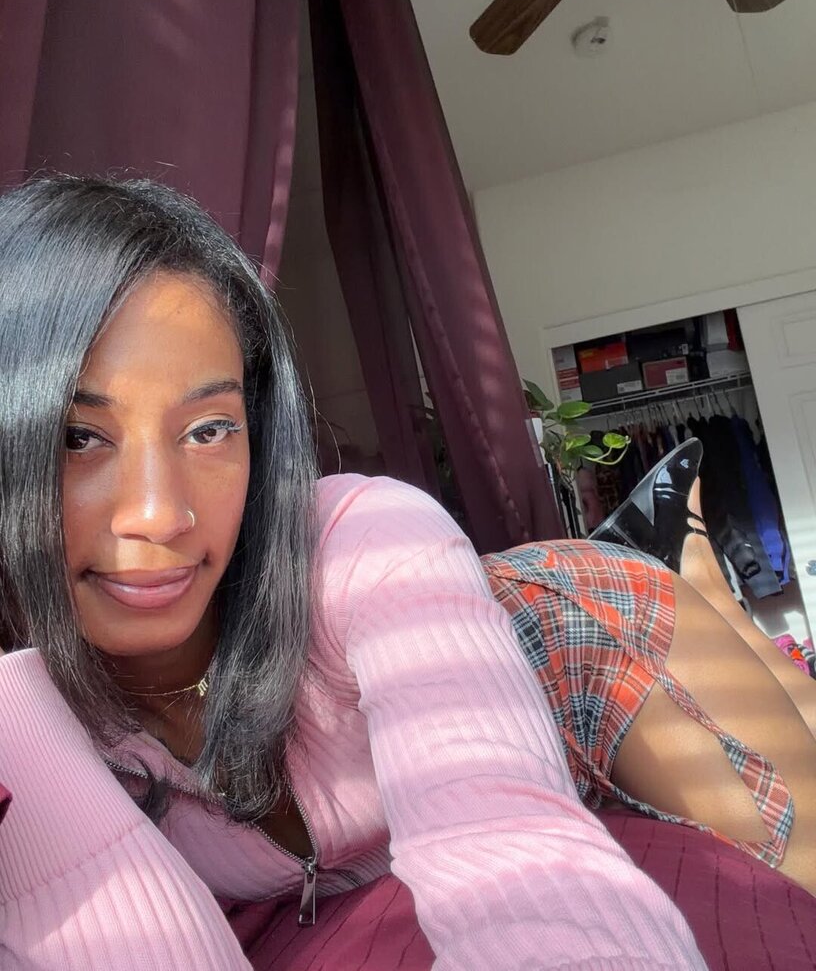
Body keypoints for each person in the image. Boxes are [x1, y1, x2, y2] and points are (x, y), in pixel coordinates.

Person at [0, 173, 796, 968]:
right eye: (78, 438)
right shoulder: (30, 727)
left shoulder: (365, 541)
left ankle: (675, 557)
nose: (158, 514)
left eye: (209, 429)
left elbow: (514, 851)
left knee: (788, 864)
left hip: (560, 642)